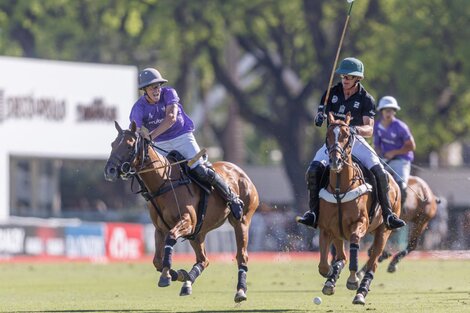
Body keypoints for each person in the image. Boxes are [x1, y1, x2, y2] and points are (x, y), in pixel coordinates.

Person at [297, 57, 406, 230]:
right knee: (313, 171)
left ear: (357, 78)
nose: (345, 80)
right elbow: (321, 116)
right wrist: (319, 118)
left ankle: (388, 215)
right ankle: (313, 213)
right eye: (343, 76)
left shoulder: (366, 99)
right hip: (333, 143)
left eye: (348, 77)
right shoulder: (330, 93)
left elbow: (369, 129)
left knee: (380, 172)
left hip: (355, 141)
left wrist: (354, 129)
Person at [129, 67, 244, 220]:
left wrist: (150, 136)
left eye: (157, 86)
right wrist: (138, 136)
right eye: (151, 87)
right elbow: (134, 129)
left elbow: (171, 117)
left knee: (201, 169)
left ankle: (232, 198)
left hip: (182, 136)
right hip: (160, 143)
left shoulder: (169, 93)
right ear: (145, 90)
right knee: (153, 175)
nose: (156, 90)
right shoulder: (139, 107)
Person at [374, 96, 416, 210]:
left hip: (401, 160)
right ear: (381, 111)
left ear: (394, 111)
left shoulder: (400, 126)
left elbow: (412, 146)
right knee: (373, 178)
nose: (389, 113)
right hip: (386, 160)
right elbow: (377, 146)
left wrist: (394, 152)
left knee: (401, 186)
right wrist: (379, 155)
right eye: (386, 110)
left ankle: (400, 212)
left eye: (391, 110)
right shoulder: (377, 126)